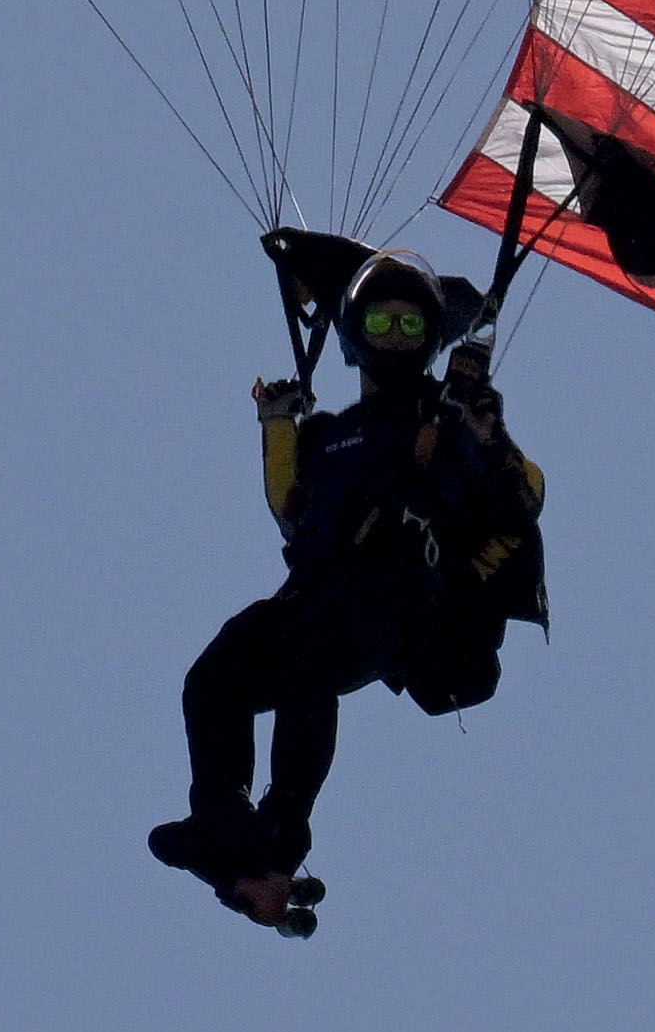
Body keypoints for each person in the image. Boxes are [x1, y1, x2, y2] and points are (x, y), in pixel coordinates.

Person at [149, 249, 546, 932]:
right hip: (317, 587)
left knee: (309, 653)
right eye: (382, 322)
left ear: (429, 339)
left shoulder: (449, 415)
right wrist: (278, 425)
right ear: (358, 335)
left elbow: (524, 500)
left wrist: (489, 435)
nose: (395, 336)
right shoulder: (328, 433)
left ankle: (283, 827)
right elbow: (291, 508)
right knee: (213, 678)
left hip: (396, 599)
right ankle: (225, 831)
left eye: (410, 326)